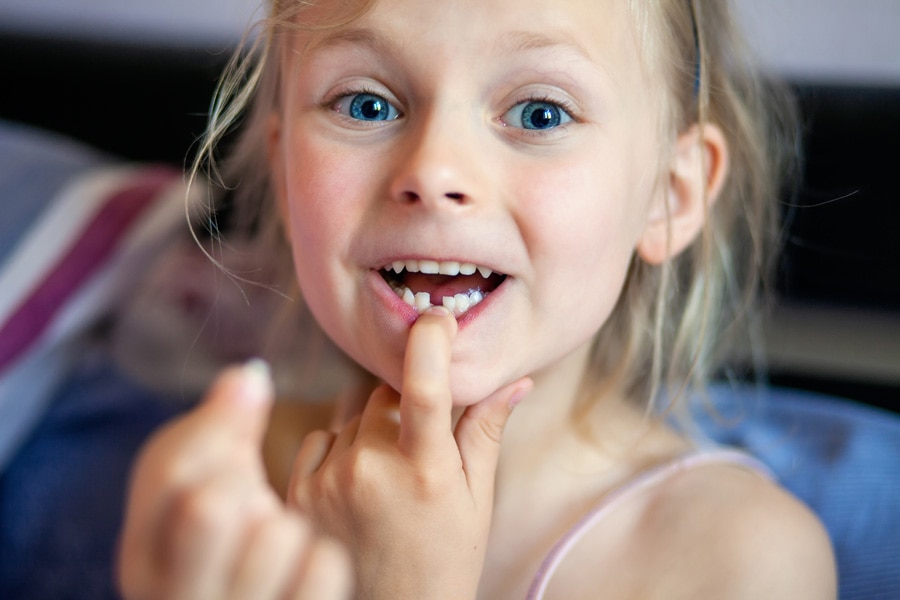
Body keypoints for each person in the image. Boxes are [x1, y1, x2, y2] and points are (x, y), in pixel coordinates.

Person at [118, 0, 838, 598]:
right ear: (281, 168)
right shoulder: (215, 494)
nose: (434, 170)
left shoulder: (742, 561)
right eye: (366, 104)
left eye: (539, 115)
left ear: (668, 197)